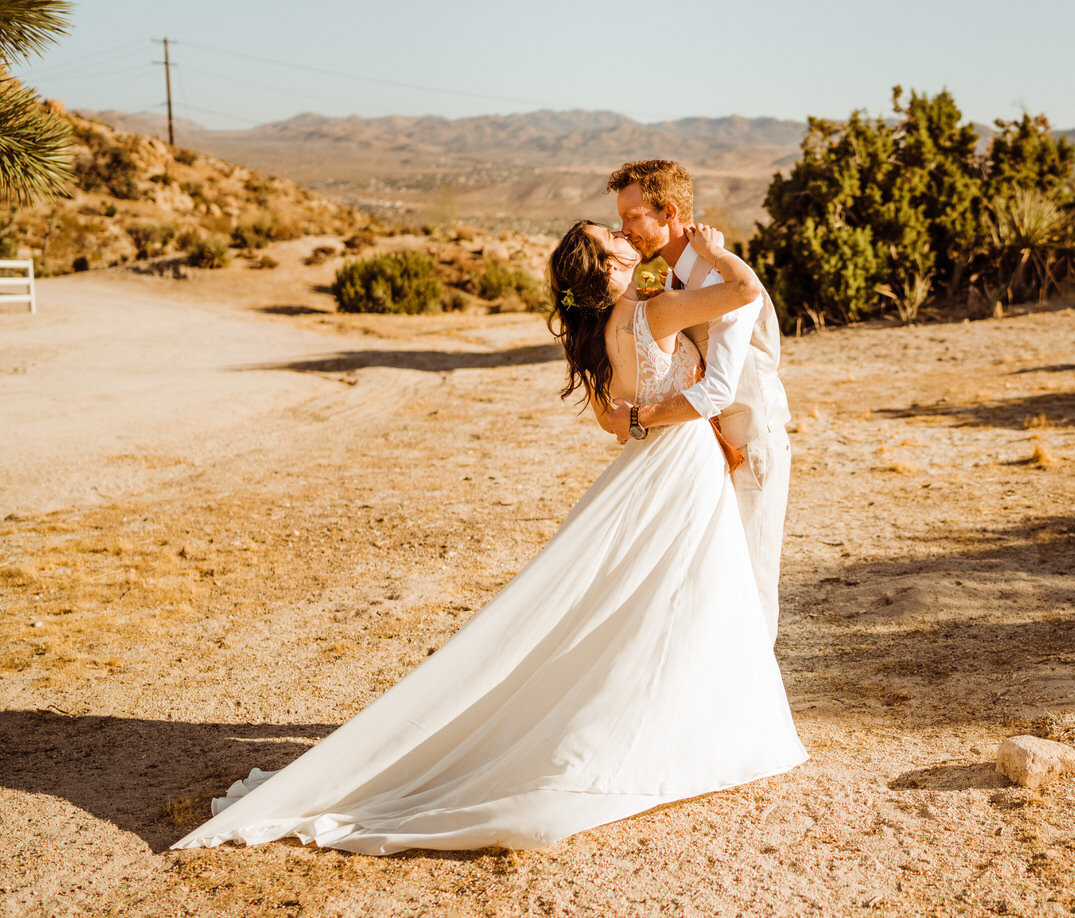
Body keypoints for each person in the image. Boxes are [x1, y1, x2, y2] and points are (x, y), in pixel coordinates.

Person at [170, 220, 807, 856]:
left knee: (662, 593)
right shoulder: (654, 310)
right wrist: (716, 253)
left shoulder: (611, 327)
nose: (624, 234)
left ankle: (680, 719)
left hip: (664, 462)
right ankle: (680, 730)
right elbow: (746, 294)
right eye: (615, 235)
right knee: (685, 589)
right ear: (609, 264)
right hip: (682, 464)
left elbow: (622, 418)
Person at [600, 160, 791, 644]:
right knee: (713, 577)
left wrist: (640, 419)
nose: (624, 231)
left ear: (669, 212)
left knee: (751, 577)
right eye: (620, 219)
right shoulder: (669, 283)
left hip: (751, 444)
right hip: (706, 453)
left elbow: (720, 389)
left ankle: (754, 705)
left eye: (633, 217)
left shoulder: (718, 279)